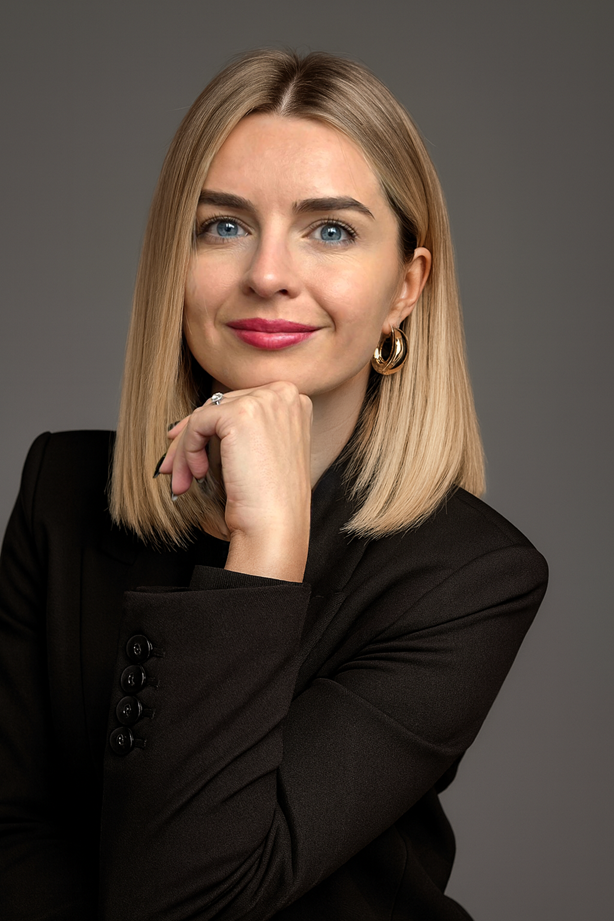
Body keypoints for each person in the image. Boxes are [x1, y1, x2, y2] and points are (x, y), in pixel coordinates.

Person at [0, 49, 548, 920]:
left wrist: (265, 553)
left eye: (330, 231)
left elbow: (190, 899)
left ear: (405, 287)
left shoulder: (471, 576)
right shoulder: (60, 492)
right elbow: (11, 837)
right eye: (224, 226)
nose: (266, 274)